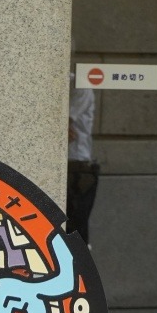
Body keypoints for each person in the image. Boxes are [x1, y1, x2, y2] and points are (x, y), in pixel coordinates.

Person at [66, 74, 98, 242]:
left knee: (74, 227)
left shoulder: (79, 84)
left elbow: (63, 126)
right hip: (70, 164)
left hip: (76, 165)